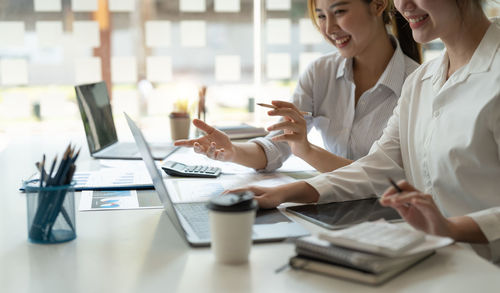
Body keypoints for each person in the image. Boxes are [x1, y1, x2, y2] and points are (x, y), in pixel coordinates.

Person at [231, 0, 500, 262]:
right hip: (437, 260)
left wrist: (451, 229)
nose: (404, 5)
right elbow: (379, 165)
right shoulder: (421, 81)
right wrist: (289, 192)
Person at [175, 0, 421, 173]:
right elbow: (279, 144)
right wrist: (231, 151)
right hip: (332, 205)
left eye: (340, 12)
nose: (328, 28)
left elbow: (385, 178)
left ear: (378, 5)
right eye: (321, 16)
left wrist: (306, 150)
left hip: (389, 214)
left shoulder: (417, 82)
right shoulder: (320, 73)